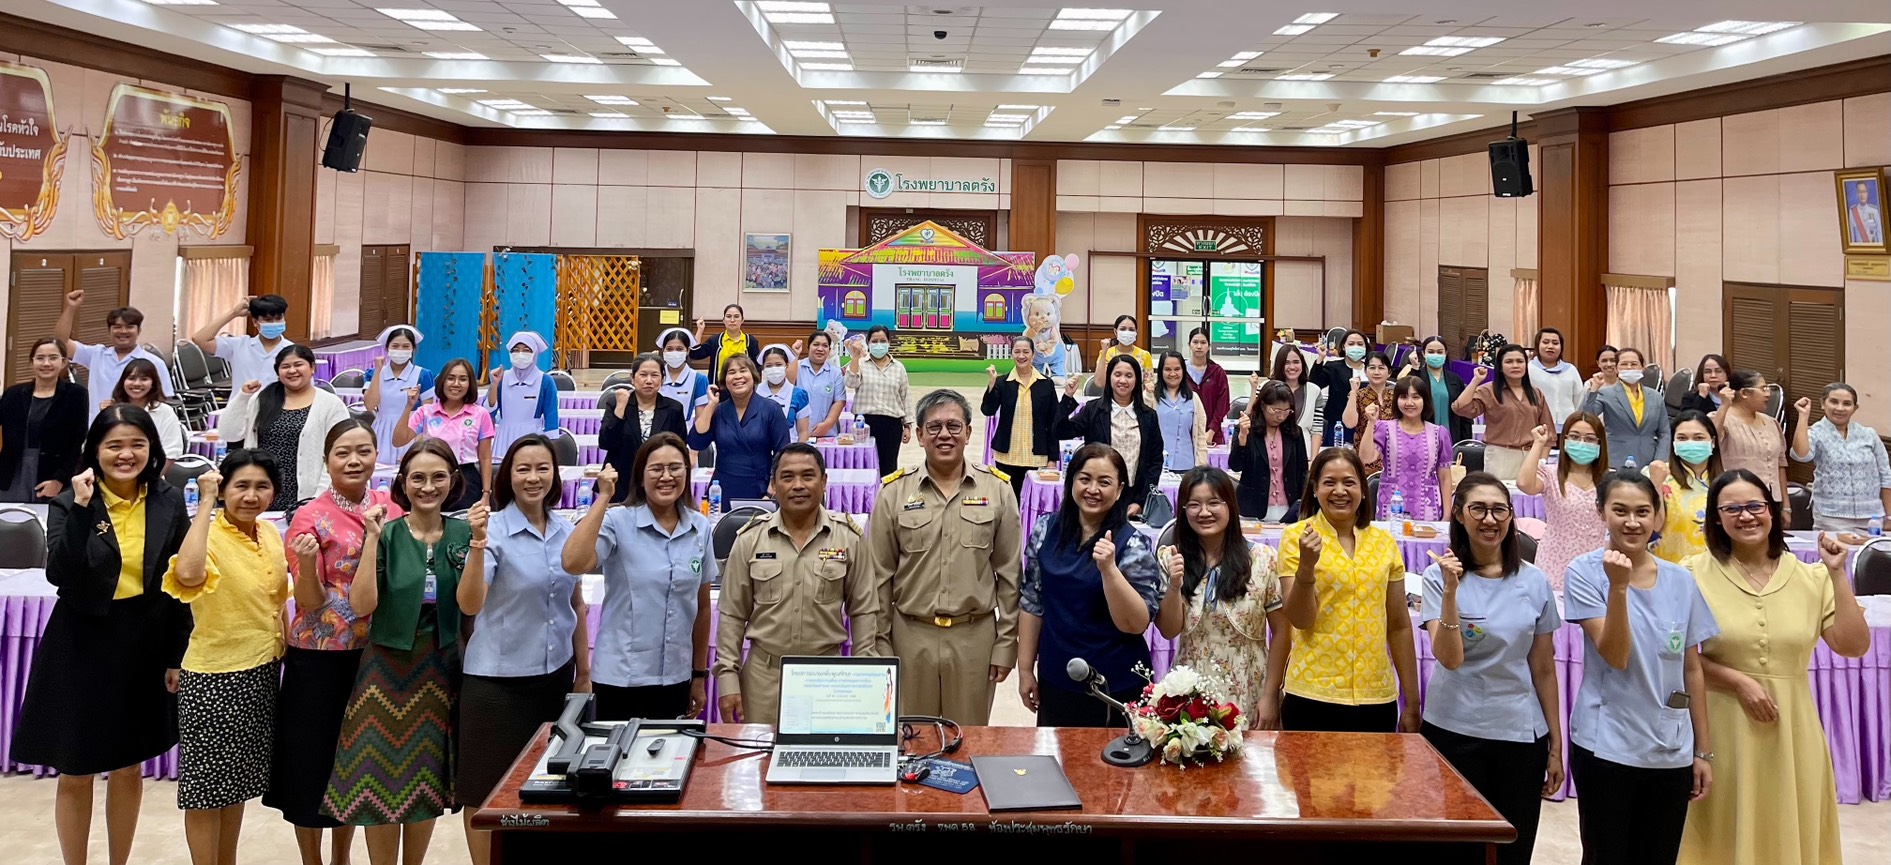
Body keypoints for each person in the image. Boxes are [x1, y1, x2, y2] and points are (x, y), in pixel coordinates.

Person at [12, 406, 189, 864]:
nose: (126, 454)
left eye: (137, 444)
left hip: (143, 643)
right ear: (95, 451)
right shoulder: (72, 502)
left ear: (152, 449)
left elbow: (181, 586)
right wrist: (83, 508)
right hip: (81, 641)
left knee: (129, 766)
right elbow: (60, 573)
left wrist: (176, 654)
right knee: (76, 768)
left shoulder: (168, 500)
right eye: (114, 445)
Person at [1677, 471, 1871, 865]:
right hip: (1721, 724)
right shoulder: (1692, 572)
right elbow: (1675, 655)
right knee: (1722, 829)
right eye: (1731, 508)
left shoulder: (1811, 576)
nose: (1746, 516)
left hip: (1792, 730)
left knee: (1787, 824)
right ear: (1716, 518)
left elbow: (1853, 645)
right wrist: (1736, 680)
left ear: (1772, 511)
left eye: (1755, 506)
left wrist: (1837, 573)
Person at [322, 438, 474, 863]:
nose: (428, 487)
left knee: (424, 783)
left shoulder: (464, 533)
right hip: (385, 671)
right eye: (418, 478)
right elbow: (362, 605)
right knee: (379, 782)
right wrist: (371, 539)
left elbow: (471, 605)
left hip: (440, 667)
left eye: (438, 477)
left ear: (453, 481)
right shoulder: (386, 532)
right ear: (403, 483)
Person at [1563, 471, 1718, 865]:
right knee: (1606, 856)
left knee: (1659, 856)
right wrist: (1618, 588)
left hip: (1670, 748)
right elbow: (1615, 655)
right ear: (1602, 513)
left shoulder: (1680, 581)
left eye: (1642, 512)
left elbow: (1692, 668)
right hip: (1606, 745)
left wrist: (1703, 751)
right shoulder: (1585, 572)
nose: (1632, 522)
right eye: (1620, 511)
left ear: (1657, 517)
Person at [270, 420, 398, 865]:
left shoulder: (389, 509)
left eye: (363, 451)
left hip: (374, 655)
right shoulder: (309, 517)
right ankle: (312, 860)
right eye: (343, 452)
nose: (354, 460)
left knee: (355, 764)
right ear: (327, 459)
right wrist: (306, 567)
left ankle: (342, 857)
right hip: (319, 659)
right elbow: (307, 601)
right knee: (312, 762)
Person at [1419, 473, 1564, 865]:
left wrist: (1555, 743)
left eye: (1499, 509)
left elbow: (1544, 668)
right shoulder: (1438, 577)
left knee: (1512, 846)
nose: (1490, 519)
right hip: (1452, 730)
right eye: (1478, 509)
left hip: (1518, 734)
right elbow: (1449, 658)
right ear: (1459, 516)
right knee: (1454, 848)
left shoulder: (1534, 582)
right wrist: (1451, 591)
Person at [457, 435, 587, 865]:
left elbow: (576, 603)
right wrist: (477, 544)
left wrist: (583, 672)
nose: (533, 478)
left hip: (553, 679)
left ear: (555, 474)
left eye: (542, 468)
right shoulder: (491, 529)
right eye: (523, 469)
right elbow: (469, 604)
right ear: (507, 476)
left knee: (545, 787)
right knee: (486, 792)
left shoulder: (568, 529)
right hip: (497, 683)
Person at [162, 450, 289, 865]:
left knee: (234, 788)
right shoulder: (207, 533)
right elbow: (188, 574)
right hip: (214, 677)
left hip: (261, 671)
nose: (251, 496)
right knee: (204, 794)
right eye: (241, 486)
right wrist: (205, 503)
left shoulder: (270, 534)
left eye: (261, 487)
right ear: (224, 490)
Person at [865, 389, 1021, 725]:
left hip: (974, 637)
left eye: (953, 425)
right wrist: (878, 645)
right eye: (934, 427)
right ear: (919, 436)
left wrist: (1006, 643)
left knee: (967, 744)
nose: (944, 434)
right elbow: (878, 578)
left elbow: (1010, 576)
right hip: (909, 636)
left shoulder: (998, 490)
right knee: (911, 744)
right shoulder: (893, 493)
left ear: (968, 432)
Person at [716, 444, 881, 724]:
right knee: (760, 762)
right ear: (773, 485)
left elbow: (864, 612)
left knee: (821, 761)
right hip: (763, 680)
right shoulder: (750, 539)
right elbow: (732, 615)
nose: (798, 485)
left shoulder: (848, 539)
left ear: (824, 482)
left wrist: (865, 678)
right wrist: (728, 679)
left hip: (827, 679)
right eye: (788, 477)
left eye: (808, 476)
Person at [563, 433, 714, 720]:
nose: (666, 476)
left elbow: (702, 608)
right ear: (641, 476)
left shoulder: (700, 528)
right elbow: (573, 562)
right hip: (621, 678)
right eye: (656, 469)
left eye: (675, 467)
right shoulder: (618, 522)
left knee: (667, 762)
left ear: (687, 472)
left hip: (675, 678)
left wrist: (698, 674)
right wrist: (604, 498)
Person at [1275, 448, 1421, 733]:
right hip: (1312, 693)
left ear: (1364, 491)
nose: (1339, 491)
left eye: (1349, 482)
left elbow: (1400, 625)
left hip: (1375, 696)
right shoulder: (1296, 538)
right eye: (1329, 482)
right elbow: (1300, 620)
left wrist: (1412, 702)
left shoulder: (1384, 543)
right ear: (1315, 489)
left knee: (1375, 779)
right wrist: (1306, 567)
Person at [1017, 443, 1163, 727]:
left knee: (1116, 770)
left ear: (1120, 490)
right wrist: (1025, 669)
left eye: (1104, 482)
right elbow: (1032, 602)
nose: (1093, 489)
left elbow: (1135, 624)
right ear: (1071, 480)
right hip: (1056, 676)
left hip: (1116, 685)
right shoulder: (1046, 529)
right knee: (1058, 764)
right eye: (1085, 479)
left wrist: (1109, 571)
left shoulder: (1133, 545)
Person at [1153, 467, 1289, 729]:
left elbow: (1282, 633)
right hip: (1190, 692)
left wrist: (1271, 695)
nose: (1204, 512)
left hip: (1250, 686)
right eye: (1194, 505)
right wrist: (1174, 585)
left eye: (1214, 502)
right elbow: (1169, 631)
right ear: (1183, 510)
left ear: (1230, 505)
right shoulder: (1171, 558)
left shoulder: (1263, 559)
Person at [217, 345, 352, 511]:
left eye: (298, 364)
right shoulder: (262, 399)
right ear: (278, 372)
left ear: (312, 368)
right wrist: (243, 397)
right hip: (262, 489)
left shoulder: (331, 405)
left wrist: (318, 498)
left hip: (306, 495)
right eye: (285, 366)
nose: (292, 371)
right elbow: (228, 433)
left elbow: (338, 454)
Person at [1054, 355, 1162, 519]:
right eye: (1117, 374)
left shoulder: (1149, 416)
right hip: (1097, 496)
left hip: (1133, 499)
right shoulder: (1093, 410)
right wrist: (1067, 398)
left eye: (1129, 375)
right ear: (1109, 377)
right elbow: (1060, 431)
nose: (1123, 380)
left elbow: (1155, 462)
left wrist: (1141, 501)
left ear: (1136, 380)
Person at [1516, 414, 1608, 592]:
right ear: (1564, 440)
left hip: (1596, 564)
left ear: (1600, 444)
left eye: (1589, 439)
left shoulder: (1609, 480)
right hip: (1555, 562)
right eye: (1574, 437)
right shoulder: (1550, 474)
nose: (1581, 443)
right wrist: (1538, 443)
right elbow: (1524, 484)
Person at [53, 288, 175, 420]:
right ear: (109, 331)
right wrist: (71, 308)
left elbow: (163, 401)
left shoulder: (154, 362)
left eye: (129, 327)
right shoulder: (96, 354)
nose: (123, 331)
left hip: (136, 428)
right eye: (117, 327)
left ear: (139, 330)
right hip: (98, 428)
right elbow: (61, 342)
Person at [395, 358, 494, 510]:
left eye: (463, 379)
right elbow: (399, 440)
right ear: (442, 381)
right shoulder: (426, 412)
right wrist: (409, 406)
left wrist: (486, 493)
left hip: (466, 479)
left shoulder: (480, 414)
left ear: (470, 384)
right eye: (451, 378)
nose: (456, 384)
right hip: (431, 477)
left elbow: (485, 457)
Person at [1789, 384, 1891, 533]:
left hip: (1872, 517)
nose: (1840, 408)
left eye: (1847, 404)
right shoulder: (1816, 432)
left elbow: (1886, 475)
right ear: (1823, 404)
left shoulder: (1868, 434)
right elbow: (1801, 456)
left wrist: (1889, 516)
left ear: (1855, 408)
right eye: (1834, 402)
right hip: (1831, 517)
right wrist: (1803, 417)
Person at [688, 355, 791, 501]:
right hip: (723, 487)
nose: (738, 376)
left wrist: (770, 491)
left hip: (761, 489)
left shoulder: (771, 409)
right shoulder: (719, 411)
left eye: (743, 370)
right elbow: (696, 442)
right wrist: (711, 404)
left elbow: (783, 453)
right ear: (725, 381)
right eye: (731, 372)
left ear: (754, 376)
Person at [0, 337, 89, 503]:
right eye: (40, 358)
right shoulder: (13, 394)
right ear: (31, 362)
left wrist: (60, 480)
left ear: (63, 362)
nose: (46, 363)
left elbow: (77, 442)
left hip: (51, 475)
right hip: (12, 473)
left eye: (53, 358)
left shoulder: (76, 395)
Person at [1356, 375, 1455, 521]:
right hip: (1390, 506)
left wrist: (1447, 515)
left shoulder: (1439, 433)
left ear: (1425, 400)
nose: (1409, 403)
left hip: (1428, 508)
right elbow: (1365, 458)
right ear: (1396, 400)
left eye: (1416, 397)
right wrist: (1371, 423)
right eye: (1403, 397)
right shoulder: (1384, 428)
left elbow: (1445, 477)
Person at [1451, 344, 1555, 481]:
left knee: (1530, 499)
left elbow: (1549, 433)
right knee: (1500, 498)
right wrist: (1475, 381)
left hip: (1531, 455)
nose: (1515, 365)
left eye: (1519, 361)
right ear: (1500, 366)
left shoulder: (1536, 393)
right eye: (1509, 362)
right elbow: (1460, 408)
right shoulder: (1489, 391)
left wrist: (1542, 460)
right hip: (1500, 455)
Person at [598, 354, 686, 504]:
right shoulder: (616, 403)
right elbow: (606, 443)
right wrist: (620, 409)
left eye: (655, 375)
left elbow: (680, 448)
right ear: (633, 378)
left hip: (661, 483)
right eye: (643, 375)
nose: (649, 381)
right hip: (622, 483)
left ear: (662, 379)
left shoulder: (674, 409)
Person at [981, 336, 1057, 499]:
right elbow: (988, 410)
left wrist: (1053, 458)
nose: (1021, 356)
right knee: (1007, 501)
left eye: (1025, 352)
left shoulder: (1046, 384)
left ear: (1033, 355)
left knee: (1032, 503)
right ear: (1012, 354)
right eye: (1017, 351)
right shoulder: (1002, 382)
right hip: (1007, 456)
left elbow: (1052, 423)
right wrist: (992, 383)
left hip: (1037, 457)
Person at [1649, 412, 1725, 564]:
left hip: (1715, 568)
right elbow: (1654, 526)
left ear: (1713, 442)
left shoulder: (1728, 482)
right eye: (1682, 438)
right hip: (1667, 567)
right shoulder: (1655, 474)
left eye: (1698, 438)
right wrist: (1656, 485)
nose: (1691, 443)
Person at [1231, 381, 1308, 521]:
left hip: (1288, 507)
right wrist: (1242, 437)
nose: (1281, 417)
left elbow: (1302, 471)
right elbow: (1236, 465)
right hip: (1253, 508)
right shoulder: (1247, 429)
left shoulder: (1294, 432)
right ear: (1262, 406)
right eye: (1276, 411)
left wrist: (1303, 504)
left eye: (1286, 411)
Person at [1582, 347, 1671, 469]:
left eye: (1634, 364)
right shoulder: (1606, 394)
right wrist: (1594, 390)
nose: (1629, 367)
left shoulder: (1655, 396)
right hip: (1616, 460)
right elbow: (1586, 416)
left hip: (1649, 460)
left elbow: (1664, 432)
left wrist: (1660, 460)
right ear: (1617, 369)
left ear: (1642, 368)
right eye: (1624, 364)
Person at [361, 326, 436, 465]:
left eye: (405, 346)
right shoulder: (373, 373)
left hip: (411, 430)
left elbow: (428, 412)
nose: (400, 350)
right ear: (387, 348)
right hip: (381, 430)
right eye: (395, 346)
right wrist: (378, 371)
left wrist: (419, 440)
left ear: (413, 349)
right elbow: (370, 405)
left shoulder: (423, 375)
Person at [844, 325, 911, 477]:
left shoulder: (898, 367)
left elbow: (905, 396)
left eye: (883, 341)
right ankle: (866, 499)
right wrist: (855, 357)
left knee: (889, 467)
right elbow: (850, 383)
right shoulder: (860, 363)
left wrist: (907, 425)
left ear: (889, 342)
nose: (879, 344)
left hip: (891, 425)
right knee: (863, 464)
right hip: (864, 423)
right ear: (868, 342)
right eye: (874, 341)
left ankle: (887, 499)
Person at [193, 294, 294, 395]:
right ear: (255, 322)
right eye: (268, 320)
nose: (274, 323)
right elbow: (200, 339)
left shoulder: (292, 350)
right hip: (242, 407)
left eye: (279, 318)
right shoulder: (239, 345)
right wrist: (234, 313)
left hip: (277, 407)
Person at [1714, 370, 1789, 504]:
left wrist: (1786, 505)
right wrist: (1724, 405)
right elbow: (1710, 441)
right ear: (1744, 393)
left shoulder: (1771, 422)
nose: (1768, 394)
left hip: (1772, 499)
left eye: (1768, 388)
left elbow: (1780, 464)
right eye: (1763, 389)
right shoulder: (1722, 418)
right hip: (1737, 500)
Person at [486, 331, 561, 460]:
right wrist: (494, 384)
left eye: (526, 350)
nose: (520, 354)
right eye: (515, 350)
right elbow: (489, 411)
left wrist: (550, 448)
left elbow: (551, 416)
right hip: (504, 436)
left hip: (532, 437)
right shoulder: (502, 377)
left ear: (535, 353)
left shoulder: (545, 381)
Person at [108, 359, 186, 469]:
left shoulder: (164, 412)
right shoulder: (112, 411)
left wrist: (153, 481)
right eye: (131, 378)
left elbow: (171, 453)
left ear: (153, 384)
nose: (137, 384)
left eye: (144, 379)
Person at [1399, 335, 1472, 444]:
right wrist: (1414, 368)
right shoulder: (1417, 377)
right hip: (1422, 439)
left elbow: (1464, 413)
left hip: (1451, 438)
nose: (1435, 355)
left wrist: (1465, 442)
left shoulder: (1455, 380)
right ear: (1423, 354)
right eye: (1431, 352)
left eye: (1439, 352)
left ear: (1446, 354)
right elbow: (1407, 392)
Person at [1340, 351, 1396, 474]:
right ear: (1365, 372)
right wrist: (1353, 392)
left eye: (1381, 368)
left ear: (1389, 372)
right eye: (1372, 368)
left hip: (1393, 461)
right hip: (1364, 462)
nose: (1376, 372)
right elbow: (1349, 423)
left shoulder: (1397, 397)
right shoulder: (1359, 395)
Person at [1153, 351, 1209, 473]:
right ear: (1160, 371)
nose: (1172, 374)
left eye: (1177, 369)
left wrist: (1201, 466)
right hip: (1158, 466)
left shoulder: (1194, 398)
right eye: (1167, 369)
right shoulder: (1151, 397)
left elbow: (1200, 436)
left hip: (1188, 466)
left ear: (1183, 370)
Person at [1265, 341, 1324, 446]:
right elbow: (1257, 421)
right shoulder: (1266, 387)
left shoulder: (1314, 391)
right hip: (1272, 450)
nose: (1292, 367)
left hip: (1304, 451)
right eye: (1286, 363)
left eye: (1296, 362)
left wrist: (1314, 459)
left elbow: (1317, 429)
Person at [792, 330, 846, 437]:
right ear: (808, 347)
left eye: (825, 346)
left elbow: (839, 401)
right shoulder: (796, 367)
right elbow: (787, 387)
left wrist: (827, 424)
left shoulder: (835, 373)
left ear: (829, 350)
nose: (820, 349)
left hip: (826, 434)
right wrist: (794, 355)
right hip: (796, 434)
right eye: (816, 344)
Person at [689, 304, 762, 382]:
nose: (732, 320)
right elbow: (695, 354)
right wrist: (700, 330)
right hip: (719, 388)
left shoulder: (750, 341)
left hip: (742, 387)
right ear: (723, 320)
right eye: (728, 316)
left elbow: (757, 368)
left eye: (736, 316)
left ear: (742, 320)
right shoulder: (715, 340)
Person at [1528, 327, 1585, 428]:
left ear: (1561, 347)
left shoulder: (1571, 370)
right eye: (1545, 342)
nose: (1550, 346)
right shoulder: (1528, 369)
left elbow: (1579, 399)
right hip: (1538, 426)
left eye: (1555, 343)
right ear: (1537, 345)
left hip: (1568, 426)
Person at [1184, 328, 1231, 446]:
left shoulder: (1217, 372)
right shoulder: (1180, 371)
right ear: (1189, 345)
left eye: (1203, 343)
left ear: (1209, 346)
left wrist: (1211, 431)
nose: (1199, 346)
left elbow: (1223, 405)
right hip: (1185, 433)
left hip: (1213, 435)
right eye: (1195, 342)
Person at [755, 345, 812, 441]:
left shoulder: (799, 395)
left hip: (789, 450)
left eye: (778, 364)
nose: (774, 369)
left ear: (787, 366)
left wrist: (798, 453)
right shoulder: (754, 392)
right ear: (763, 368)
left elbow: (803, 432)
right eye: (769, 366)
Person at [1090, 314, 1153, 392]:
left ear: (1136, 332)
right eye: (1123, 329)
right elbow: (1099, 383)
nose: (1127, 332)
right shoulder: (1107, 354)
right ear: (1115, 332)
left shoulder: (1145, 355)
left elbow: (1149, 383)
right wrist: (1104, 352)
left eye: (1131, 330)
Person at [656, 328, 710, 412]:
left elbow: (701, 416)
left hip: (686, 425)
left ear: (687, 350)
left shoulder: (699, 379)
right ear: (663, 350)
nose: (674, 353)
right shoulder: (655, 376)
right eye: (669, 349)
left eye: (679, 349)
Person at [1022, 294, 1068, 381]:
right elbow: (1028, 337)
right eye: (1037, 314)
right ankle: (1036, 376)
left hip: (1053, 352)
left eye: (1048, 314)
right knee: (1035, 367)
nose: (1043, 317)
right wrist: (1036, 328)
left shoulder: (1051, 329)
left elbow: (1055, 340)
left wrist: (1046, 345)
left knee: (1057, 362)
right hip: (1036, 354)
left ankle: (1058, 376)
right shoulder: (1031, 330)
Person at [1845, 179, 1882, 245]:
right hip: (1861, 252)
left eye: (1864, 191)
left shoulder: (1874, 211)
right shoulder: (1853, 212)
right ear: (1857, 194)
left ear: (1867, 193)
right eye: (1860, 192)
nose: (1862, 195)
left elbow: (1880, 234)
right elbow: (1852, 238)